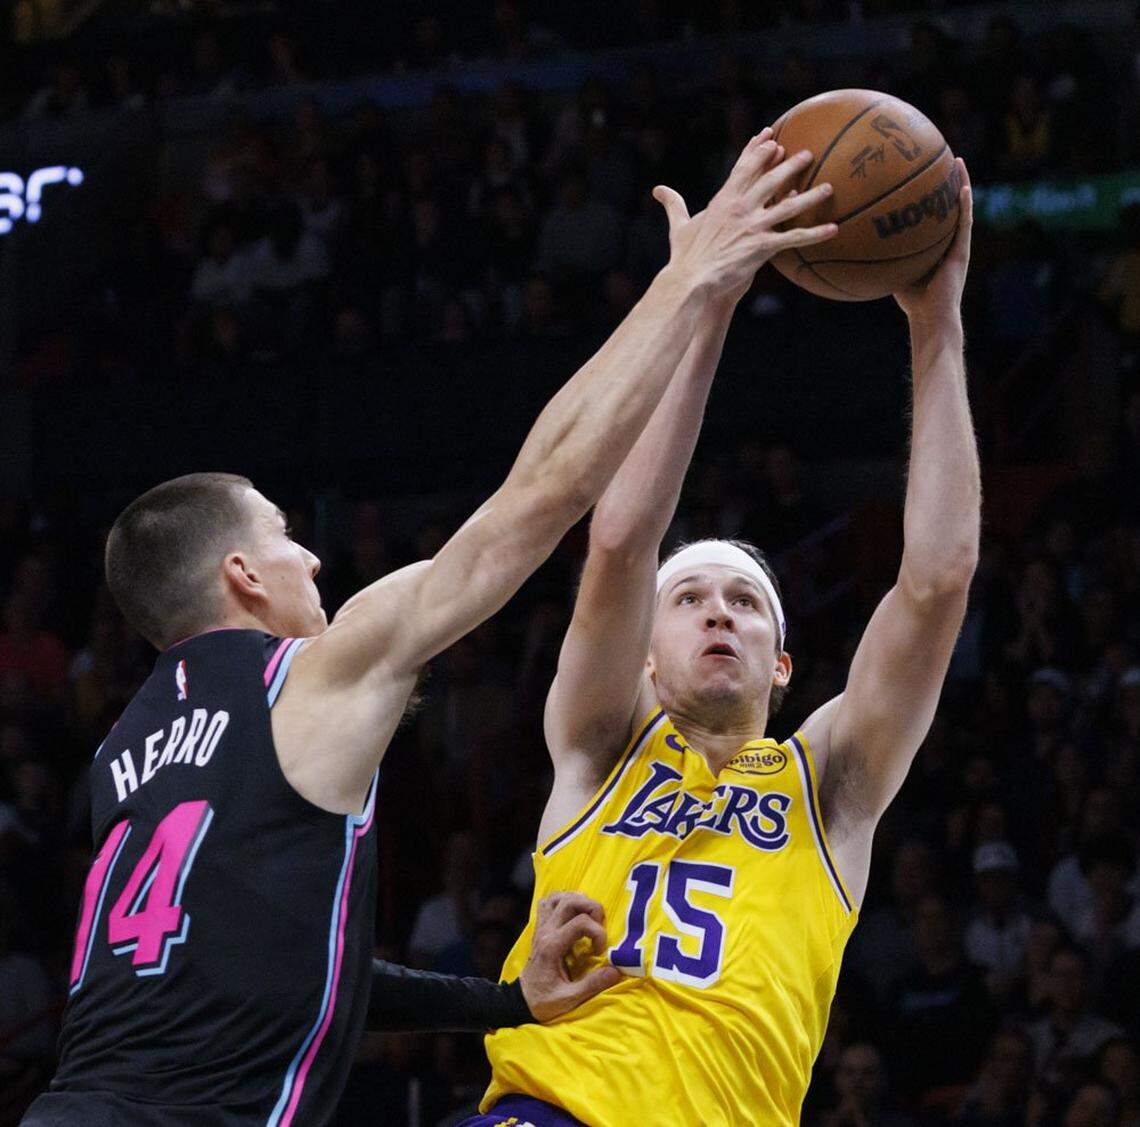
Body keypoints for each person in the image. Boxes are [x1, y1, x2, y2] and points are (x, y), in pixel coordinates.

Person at [22, 131, 837, 1127]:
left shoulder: (122, 754)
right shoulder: (307, 678)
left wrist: (500, 1004)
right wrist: (691, 284)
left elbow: (289, 961)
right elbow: (544, 495)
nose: (311, 558)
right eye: (284, 538)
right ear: (240, 573)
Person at [478, 158, 978, 1125]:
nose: (719, 612)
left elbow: (937, 580)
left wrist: (935, 325)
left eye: (747, 603)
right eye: (693, 598)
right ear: (647, 656)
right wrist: (707, 299)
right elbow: (621, 541)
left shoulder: (829, 784)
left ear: (782, 665)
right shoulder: (595, 747)